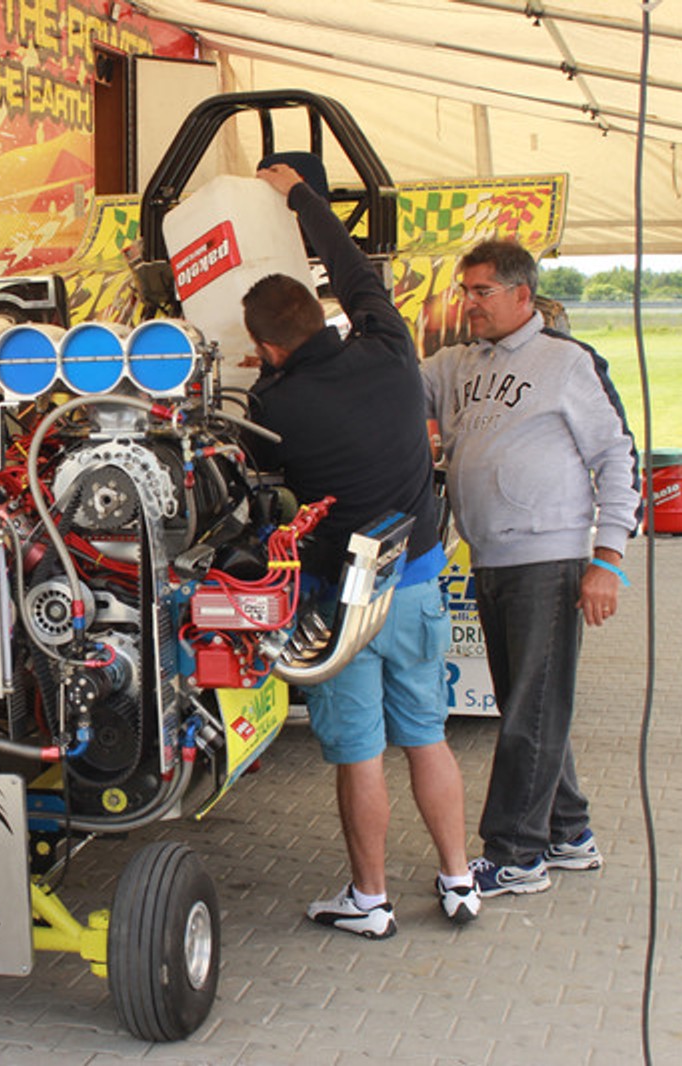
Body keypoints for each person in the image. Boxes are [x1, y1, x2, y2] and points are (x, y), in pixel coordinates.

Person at [242, 162, 478, 939]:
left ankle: (369, 898)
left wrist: (270, 386)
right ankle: (458, 880)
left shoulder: (274, 405)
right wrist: (301, 197)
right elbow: (354, 268)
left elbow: (264, 489)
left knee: (360, 753)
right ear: (322, 313)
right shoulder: (389, 347)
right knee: (427, 736)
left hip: (341, 606)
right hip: (413, 580)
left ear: (266, 349)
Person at [420, 239, 639, 897]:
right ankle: (570, 833)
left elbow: (617, 458)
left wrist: (608, 560)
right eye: (465, 291)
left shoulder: (566, 364)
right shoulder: (457, 363)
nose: (470, 304)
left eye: (481, 291)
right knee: (533, 704)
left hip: (550, 557)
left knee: (528, 710)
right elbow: (392, 378)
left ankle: (516, 853)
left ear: (522, 293)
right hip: (490, 556)